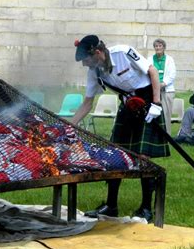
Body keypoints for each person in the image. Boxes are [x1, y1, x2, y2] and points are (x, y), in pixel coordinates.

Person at [71, 35, 169, 222]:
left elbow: (153, 72)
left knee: (143, 158)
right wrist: (69, 124)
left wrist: (156, 104)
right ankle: (111, 205)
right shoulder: (95, 71)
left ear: (98, 53)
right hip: (128, 104)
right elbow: (87, 103)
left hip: (148, 99)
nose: (85, 65)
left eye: (87, 60)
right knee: (115, 154)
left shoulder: (123, 52)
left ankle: (147, 208)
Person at [147, 38, 176, 134]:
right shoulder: (150, 59)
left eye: (160, 46)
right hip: (153, 90)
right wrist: (155, 85)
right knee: (153, 113)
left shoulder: (170, 59)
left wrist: (163, 84)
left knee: (166, 114)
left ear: (164, 47)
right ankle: (154, 135)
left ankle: (167, 135)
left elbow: (172, 75)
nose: (158, 48)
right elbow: (147, 72)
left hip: (166, 90)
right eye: (156, 46)